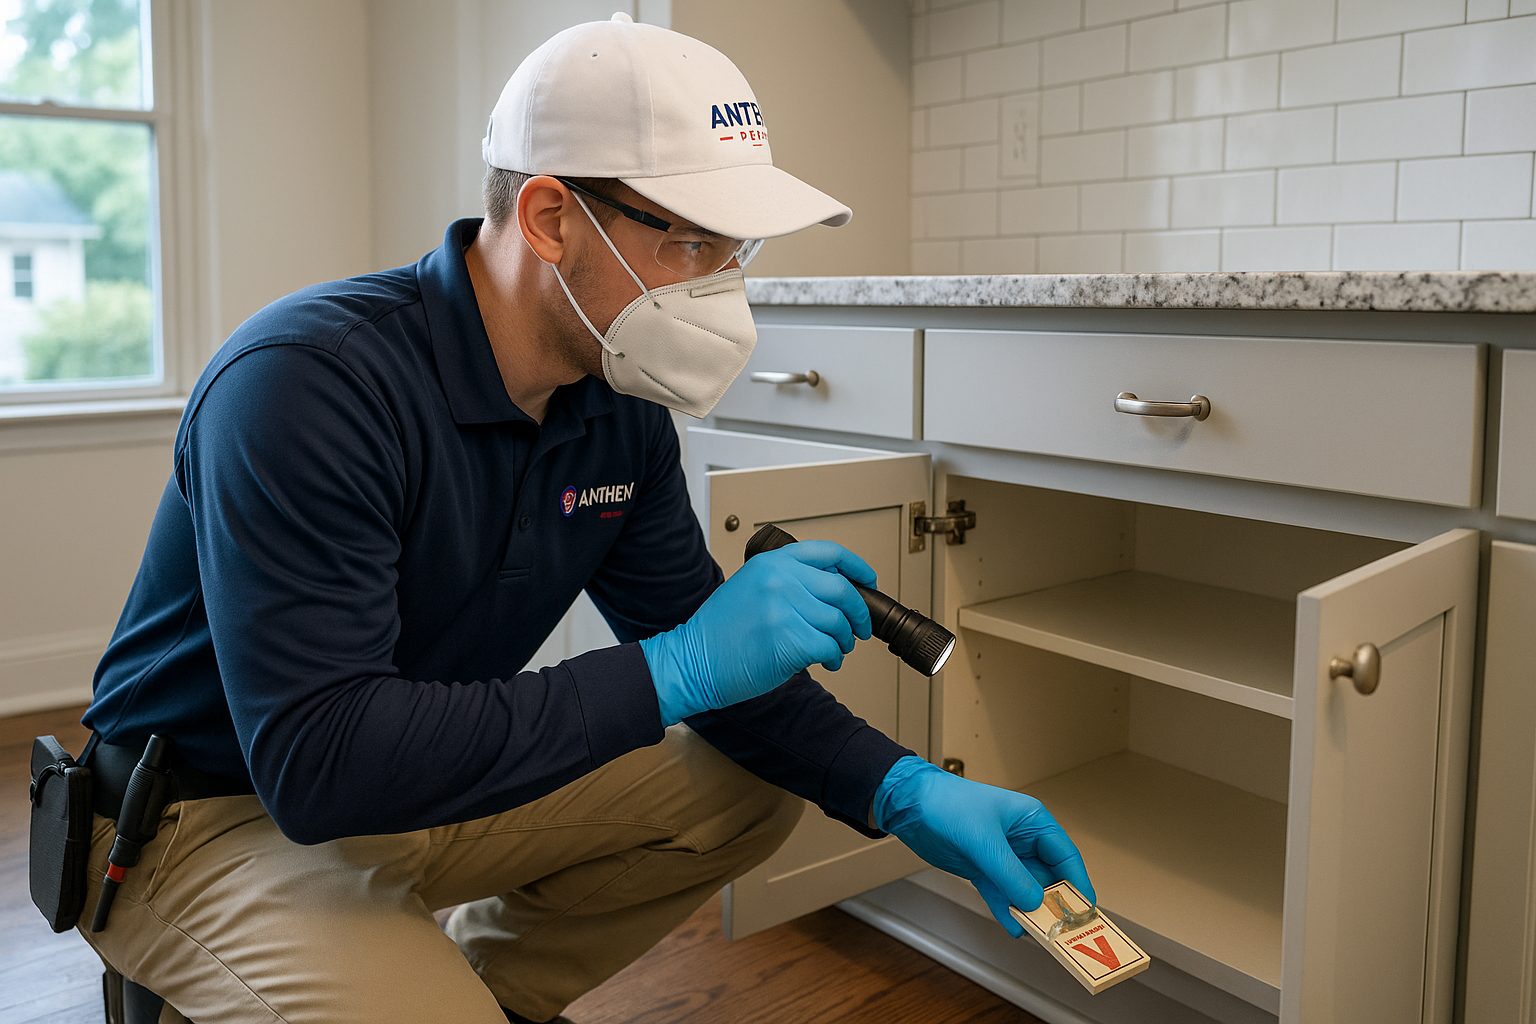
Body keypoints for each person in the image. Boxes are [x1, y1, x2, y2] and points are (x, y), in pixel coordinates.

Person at [76, 14, 1093, 1024]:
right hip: (201, 816)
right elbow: (322, 763)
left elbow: (710, 666)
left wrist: (901, 786)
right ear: (551, 217)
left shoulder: (617, 407)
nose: (723, 286)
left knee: (736, 788)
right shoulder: (307, 385)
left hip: (408, 789)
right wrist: (673, 667)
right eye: (689, 241)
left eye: (734, 249)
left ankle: (481, 993)